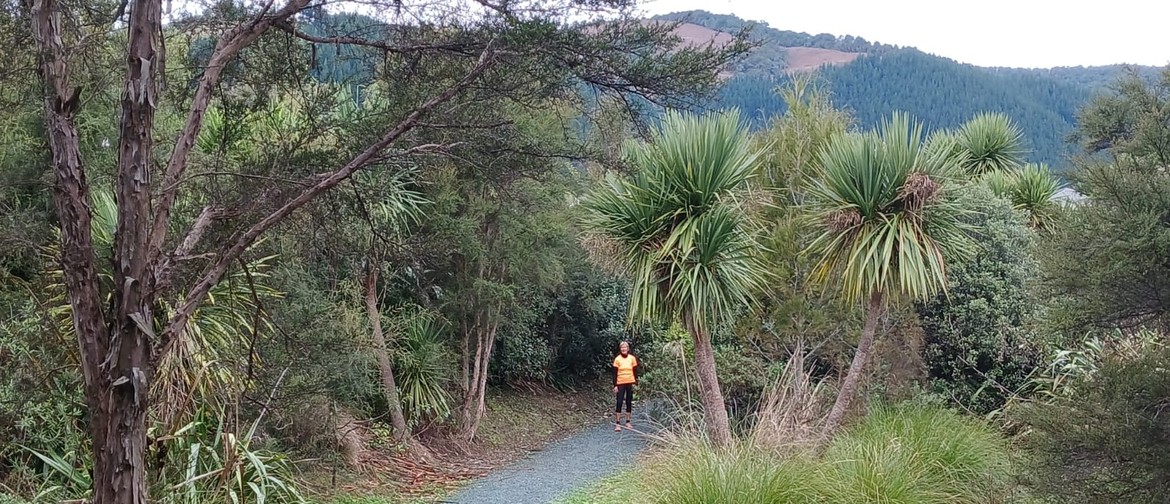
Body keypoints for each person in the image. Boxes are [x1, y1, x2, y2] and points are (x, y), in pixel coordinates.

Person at [612, 341, 639, 432]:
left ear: (628, 348)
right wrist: (615, 385)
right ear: (620, 349)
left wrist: (636, 382)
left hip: (630, 382)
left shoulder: (632, 358)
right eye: (622, 347)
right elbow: (614, 374)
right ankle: (618, 423)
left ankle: (628, 421)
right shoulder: (617, 359)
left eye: (625, 347)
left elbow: (635, 371)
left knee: (628, 401)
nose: (624, 349)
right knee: (619, 402)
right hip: (620, 383)